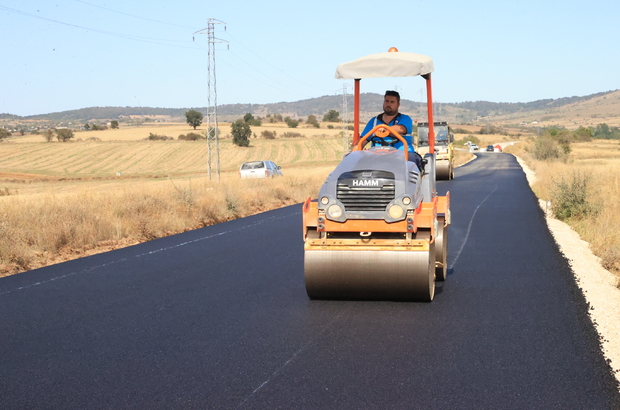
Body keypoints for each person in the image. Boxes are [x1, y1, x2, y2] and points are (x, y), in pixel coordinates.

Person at [360, 90, 423, 168]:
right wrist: (354, 153)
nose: (388, 104)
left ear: (398, 105)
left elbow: (401, 129)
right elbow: (361, 141)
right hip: (377, 155)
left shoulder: (405, 119)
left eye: (392, 102)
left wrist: (385, 129)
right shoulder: (374, 121)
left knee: (412, 162)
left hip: (402, 155)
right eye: (387, 101)